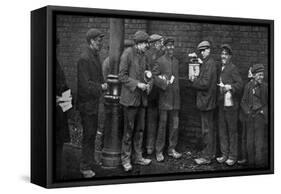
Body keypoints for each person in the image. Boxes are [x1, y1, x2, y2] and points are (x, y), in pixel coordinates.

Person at [119, 31, 152, 172]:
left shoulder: (144, 56)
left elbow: (146, 73)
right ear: (138, 43)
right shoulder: (127, 54)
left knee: (139, 130)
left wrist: (148, 79)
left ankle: (137, 157)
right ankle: (125, 159)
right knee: (128, 131)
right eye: (145, 43)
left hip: (141, 100)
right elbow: (122, 76)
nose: (147, 46)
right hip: (130, 100)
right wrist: (137, 84)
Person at [77, 28, 108, 178]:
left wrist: (104, 84)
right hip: (86, 105)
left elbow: (98, 77)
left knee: (91, 134)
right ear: (91, 41)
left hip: (93, 104)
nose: (101, 43)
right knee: (88, 135)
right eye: (98, 40)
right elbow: (85, 85)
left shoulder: (95, 56)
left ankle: (89, 161)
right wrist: (101, 87)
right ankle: (85, 167)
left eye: (101, 40)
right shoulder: (85, 58)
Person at [153, 38, 182, 162]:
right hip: (164, 99)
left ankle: (171, 149)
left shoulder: (176, 61)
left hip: (175, 100)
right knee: (162, 126)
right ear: (164, 47)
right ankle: (159, 151)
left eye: (172, 46)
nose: (171, 48)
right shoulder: (159, 61)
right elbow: (154, 77)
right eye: (168, 46)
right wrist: (163, 83)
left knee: (175, 126)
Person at [190, 41, 217, 165]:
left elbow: (205, 83)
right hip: (207, 102)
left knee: (206, 130)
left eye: (204, 50)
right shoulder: (207, 63)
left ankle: (207, 157)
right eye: (200, 51)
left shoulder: (209, 64)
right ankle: (210, 153)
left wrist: (194, 82)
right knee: (208, 129)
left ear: (209, 50)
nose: (202, 53)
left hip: (207, 102)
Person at [216, 44, 243, 166]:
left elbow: (240, 84)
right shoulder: (220, 68)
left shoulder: (233, 68)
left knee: (232, 131)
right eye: (222, 54)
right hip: (222, 104)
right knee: (222, 130)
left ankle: (232, 156)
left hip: (231, 106)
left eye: (226, 54)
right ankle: (224, 154)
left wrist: (230, 87)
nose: (223, 56)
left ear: (230, 56)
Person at [240, 64, 268, 168]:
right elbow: (243, 102)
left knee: (259, 143)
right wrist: (247, 112)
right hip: (250, 117)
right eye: (259, 75)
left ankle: (259, 165)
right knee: (249, 143)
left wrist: (263, 112)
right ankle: (251, 165)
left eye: (262, 75)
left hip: (260, 118)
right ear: (254, 75)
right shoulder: (248, 86)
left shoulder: (265, 87)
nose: (262, 77)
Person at [145, 34, 165, 155]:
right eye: (160, 42)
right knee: (151, 120)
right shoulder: (151, 55)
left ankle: (149, 147)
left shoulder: (154, 54)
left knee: (152, 120)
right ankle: (149, 147)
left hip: (155, 92)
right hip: (152, 92)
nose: (161, 45)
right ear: (154, 43)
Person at [55, 38, 71, 179]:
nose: (58, 49)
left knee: (58, 146)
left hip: (60, 111)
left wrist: (67, 100)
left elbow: (63, 85)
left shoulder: (57, 63)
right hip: (53, 113)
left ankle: (57, 175)